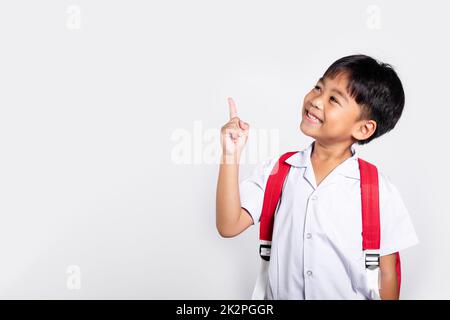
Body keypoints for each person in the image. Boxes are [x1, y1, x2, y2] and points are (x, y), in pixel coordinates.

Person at [215, 54, 419, 300]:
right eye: (318, 87)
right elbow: (228, 225)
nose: (316, 101)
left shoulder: (378, 190)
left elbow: (386, 273)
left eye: (333, 99)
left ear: (363, 128)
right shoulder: (278, 171)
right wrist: (230, 154)